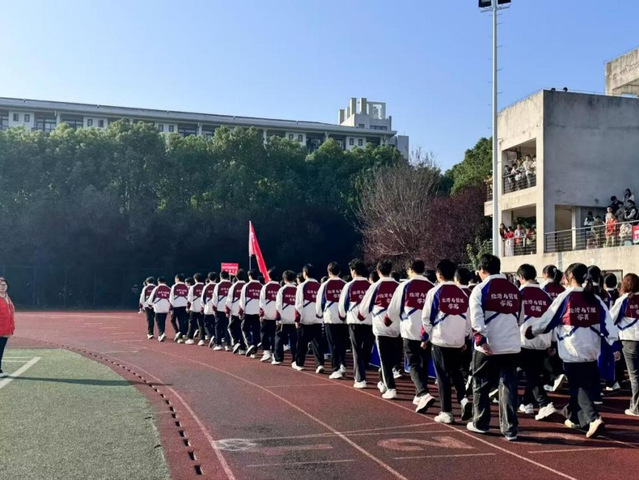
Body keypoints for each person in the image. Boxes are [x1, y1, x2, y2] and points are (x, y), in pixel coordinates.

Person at [526, 263, 618, 438]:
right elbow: (609, 325)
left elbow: (547, 321)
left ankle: (594, 418)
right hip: (591, 349)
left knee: (578, 385)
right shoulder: (595, 299)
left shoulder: (566, 297)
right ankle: (574, 417)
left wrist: (531, 331)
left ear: (569, 276)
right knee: (581, 384)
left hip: (572, 348)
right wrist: (613, 345)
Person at [467, 254, 522, 441]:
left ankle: (480, 422)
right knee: (508, 386)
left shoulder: (480, 289)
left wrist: (480, 339)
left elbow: (476, 318)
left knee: (480, 384)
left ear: (482, 270)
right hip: (511, 345)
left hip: (489, 345)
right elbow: (520, 318)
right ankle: (510, 428)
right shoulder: (515, 290)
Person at [422, 259, 472, 423]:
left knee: (443, 376)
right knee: (456, 372)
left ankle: (446, 411)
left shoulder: (434, 292)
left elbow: (426, 318)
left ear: (439, 275)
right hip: (458, 340)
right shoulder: (462, 294)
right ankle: (463, 399)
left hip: (440, 339)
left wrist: (425, 337)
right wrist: (465, 338)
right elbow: (468, 321)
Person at [388, 259, 435, 411]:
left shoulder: (404, 286)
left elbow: (393, 309)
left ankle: (423, 393)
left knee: (413, 364)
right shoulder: (432, 287)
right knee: (423, 363)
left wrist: (388, 320)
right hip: (427, 332)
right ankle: (419, 394)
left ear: (409, 270)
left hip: (410, 330)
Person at [516, 264, 556, 420]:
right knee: (532, 373)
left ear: (521, 277)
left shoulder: (519, 294)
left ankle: (544, 403)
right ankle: (527, 403)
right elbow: (552, 320)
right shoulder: (546, 296)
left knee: (531, 374)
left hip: (524, 340)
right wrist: (552, 342)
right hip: (543, 341)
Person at [359, 259, 400, 399]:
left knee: (384, 359)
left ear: (378, 271)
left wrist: (361, 316)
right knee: (390, 357)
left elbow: (363, 309)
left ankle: (391, 388)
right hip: (397, 327)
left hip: (381, 327)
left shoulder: (375, 286)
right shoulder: (399, 286)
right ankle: (383, 381)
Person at [339, 259, 374, 388]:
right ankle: (364, 372)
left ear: (353, 271)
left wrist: (342, 316)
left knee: (357, 349)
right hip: (370, 321)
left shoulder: (349, 286)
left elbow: (342, 305)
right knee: (366, 349)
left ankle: (360, 378)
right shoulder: (371, 286)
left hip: (354, 321)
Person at [610, 273, 639, 417]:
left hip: (630, 340)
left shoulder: (624, 300)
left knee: (634, 375)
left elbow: (610, 319)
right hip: (632, 339)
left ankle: (636, 407)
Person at [316, 262, 347, 379]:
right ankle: (343, 364)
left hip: (330, 318)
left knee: (333, 344)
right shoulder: (345, 285)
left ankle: (336, 369)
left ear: (329, 272)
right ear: (339, 272)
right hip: (343, 319)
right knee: (342, 343)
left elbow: (320, 302)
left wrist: (319, 314)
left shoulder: (325, 285)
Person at [293, 264, 324, 372]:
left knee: (301, 343)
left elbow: (298, 305)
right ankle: (320, 364)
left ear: (305, 274)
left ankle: (299, 363)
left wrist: (297, 319)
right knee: (317, 343)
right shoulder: (320, 286)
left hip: (305, 319)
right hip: (318, 319)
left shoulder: (301, 286)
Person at [274, 270, 299, 365]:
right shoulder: (298, 289)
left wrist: (278, 318)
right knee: (294, 340)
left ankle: (278, 358)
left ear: (284, 279)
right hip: (294, 319)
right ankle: (295, 359)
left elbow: (278, 305)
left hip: (283, 319)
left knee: (279, 338)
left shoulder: (282, 290)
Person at [239, 269, 263, 357]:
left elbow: (242, 300)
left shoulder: (246, 286)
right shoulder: (262, 286)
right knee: (256, 330)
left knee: (244, 328)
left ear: (249, 276)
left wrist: (240, 312)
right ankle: (254, 350)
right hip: (257, 312)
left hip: (248, 311)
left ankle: (249, 344)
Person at [259, 268, 280, 363]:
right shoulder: (280, 287)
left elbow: (261, 303)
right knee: (274, 335)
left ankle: (267, 352)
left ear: (268, 276)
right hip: (277, 316)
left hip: (267, 315)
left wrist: (261, 314)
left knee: (264, 333)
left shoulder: (265, 287)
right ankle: (274, 353)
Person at [226, 270, 247, 354]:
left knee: (231, 328)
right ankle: (242, 348)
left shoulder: (234, 286)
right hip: (246, 311)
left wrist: (227, 311)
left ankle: (235, 342)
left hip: (235, 311)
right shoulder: (247, 285)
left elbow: (229, 300)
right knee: (242, 329)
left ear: (236, 277)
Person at [211, 271, 232, 350]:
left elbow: (214, 298)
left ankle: (218, 344)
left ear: (220, 277)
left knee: (218, 327)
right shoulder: (231, 285)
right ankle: (228, 345)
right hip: (229, 309)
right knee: (227, 327)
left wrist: (214, 309)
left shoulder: (218, 285)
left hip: (219, 309)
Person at [0, 277, 15, 378]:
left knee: (0, 350)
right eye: (0, 285)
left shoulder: (7, 297)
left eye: (4, 285)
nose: (2, 287)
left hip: (5, 330)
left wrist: (11, 328)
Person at [147, 277, 170, 342]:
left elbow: (151, 298)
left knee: (158, 321)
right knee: (163, 320)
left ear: (158, 282)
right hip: (166, 306)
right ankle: (162, 332)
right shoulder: (169, 288)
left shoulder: (156, 288)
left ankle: (161, 334)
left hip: (158, 307)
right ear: (165, 282)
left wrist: (150, 304)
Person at [185, 273, 205, 345]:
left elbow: (189, 299)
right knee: (201, 324)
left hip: (193, 308)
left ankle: (190, 338)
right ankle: (202, 339)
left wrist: (187, 307)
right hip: (202, 308)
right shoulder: (205, 287)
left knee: (192, 324)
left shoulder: (192, 287)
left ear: (195, 279)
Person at [169, 274, 189, 343]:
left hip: (175, 306)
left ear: (177, 279)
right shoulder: (186, 287)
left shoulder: (174, 286)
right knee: (181, 321)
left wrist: (171, 306)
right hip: (184, 306)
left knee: (172, 320)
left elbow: (171, 297)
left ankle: (177, 333)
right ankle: (180, 336)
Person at [201, 272, 217, 347]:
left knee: (206, 325)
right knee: (214, 324)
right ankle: (214, 337)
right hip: (217, 309)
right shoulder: (218, 285)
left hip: (208, 309)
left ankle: (211, 336)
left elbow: (202, 299)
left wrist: (204, 306)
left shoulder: (206, 287)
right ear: (216, 278)